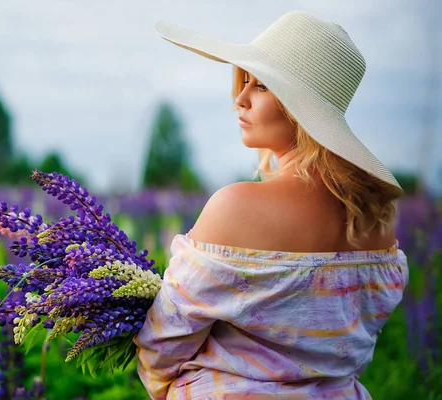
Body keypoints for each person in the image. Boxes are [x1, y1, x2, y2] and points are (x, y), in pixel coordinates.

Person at [133, 10, 409, 400]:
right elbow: (353, 350)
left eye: (261, 86)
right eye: (244, 81)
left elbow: (162, 344)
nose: (240, 99)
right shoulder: (377, 223)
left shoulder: (235, 207)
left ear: (300, 109)